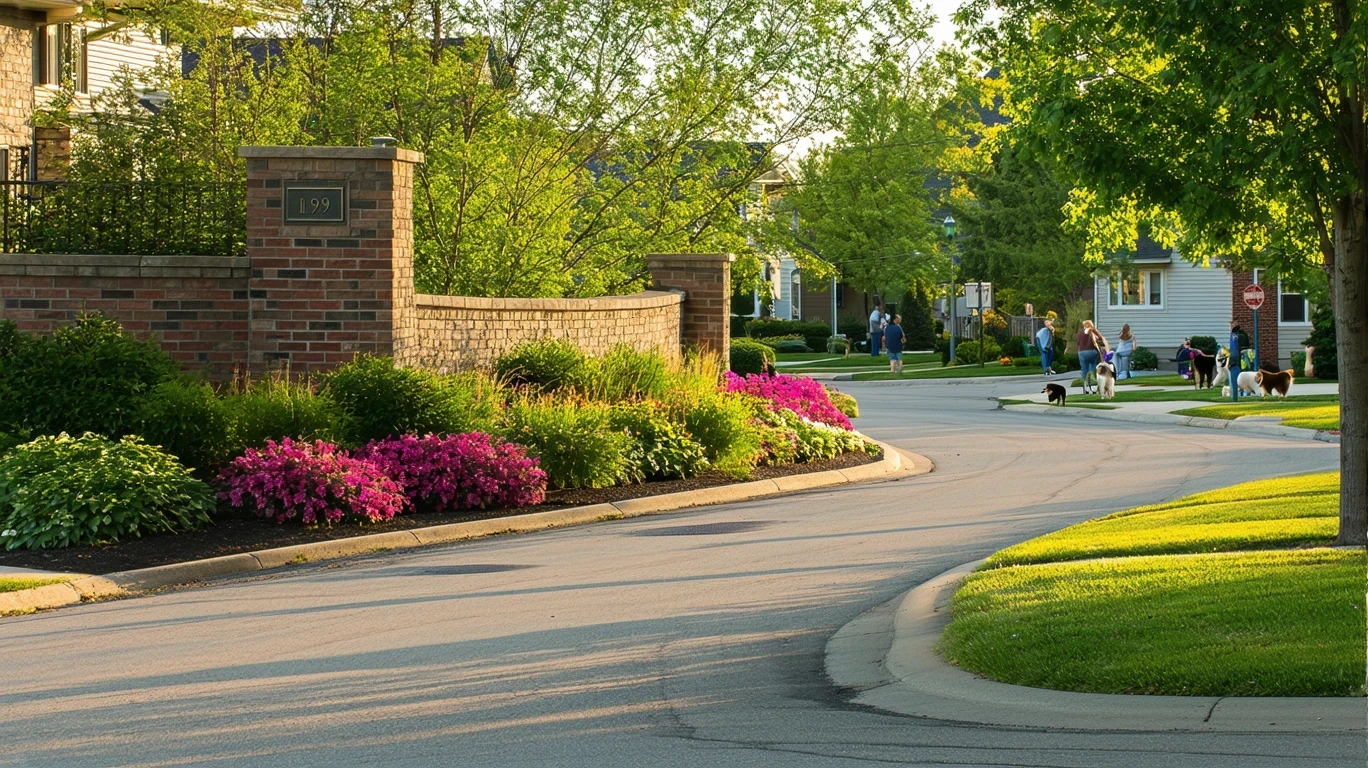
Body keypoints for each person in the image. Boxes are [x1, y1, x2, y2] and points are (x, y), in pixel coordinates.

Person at [1076, 320, 1105, 395]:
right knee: (1093, 369)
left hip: (1081, 352)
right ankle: (1094, 386)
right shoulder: (1092, 331)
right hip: (1092, 352)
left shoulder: (1080, 332)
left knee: (1084, 370)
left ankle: (1086, 388)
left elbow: (1078, 342)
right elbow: (1100, 339)